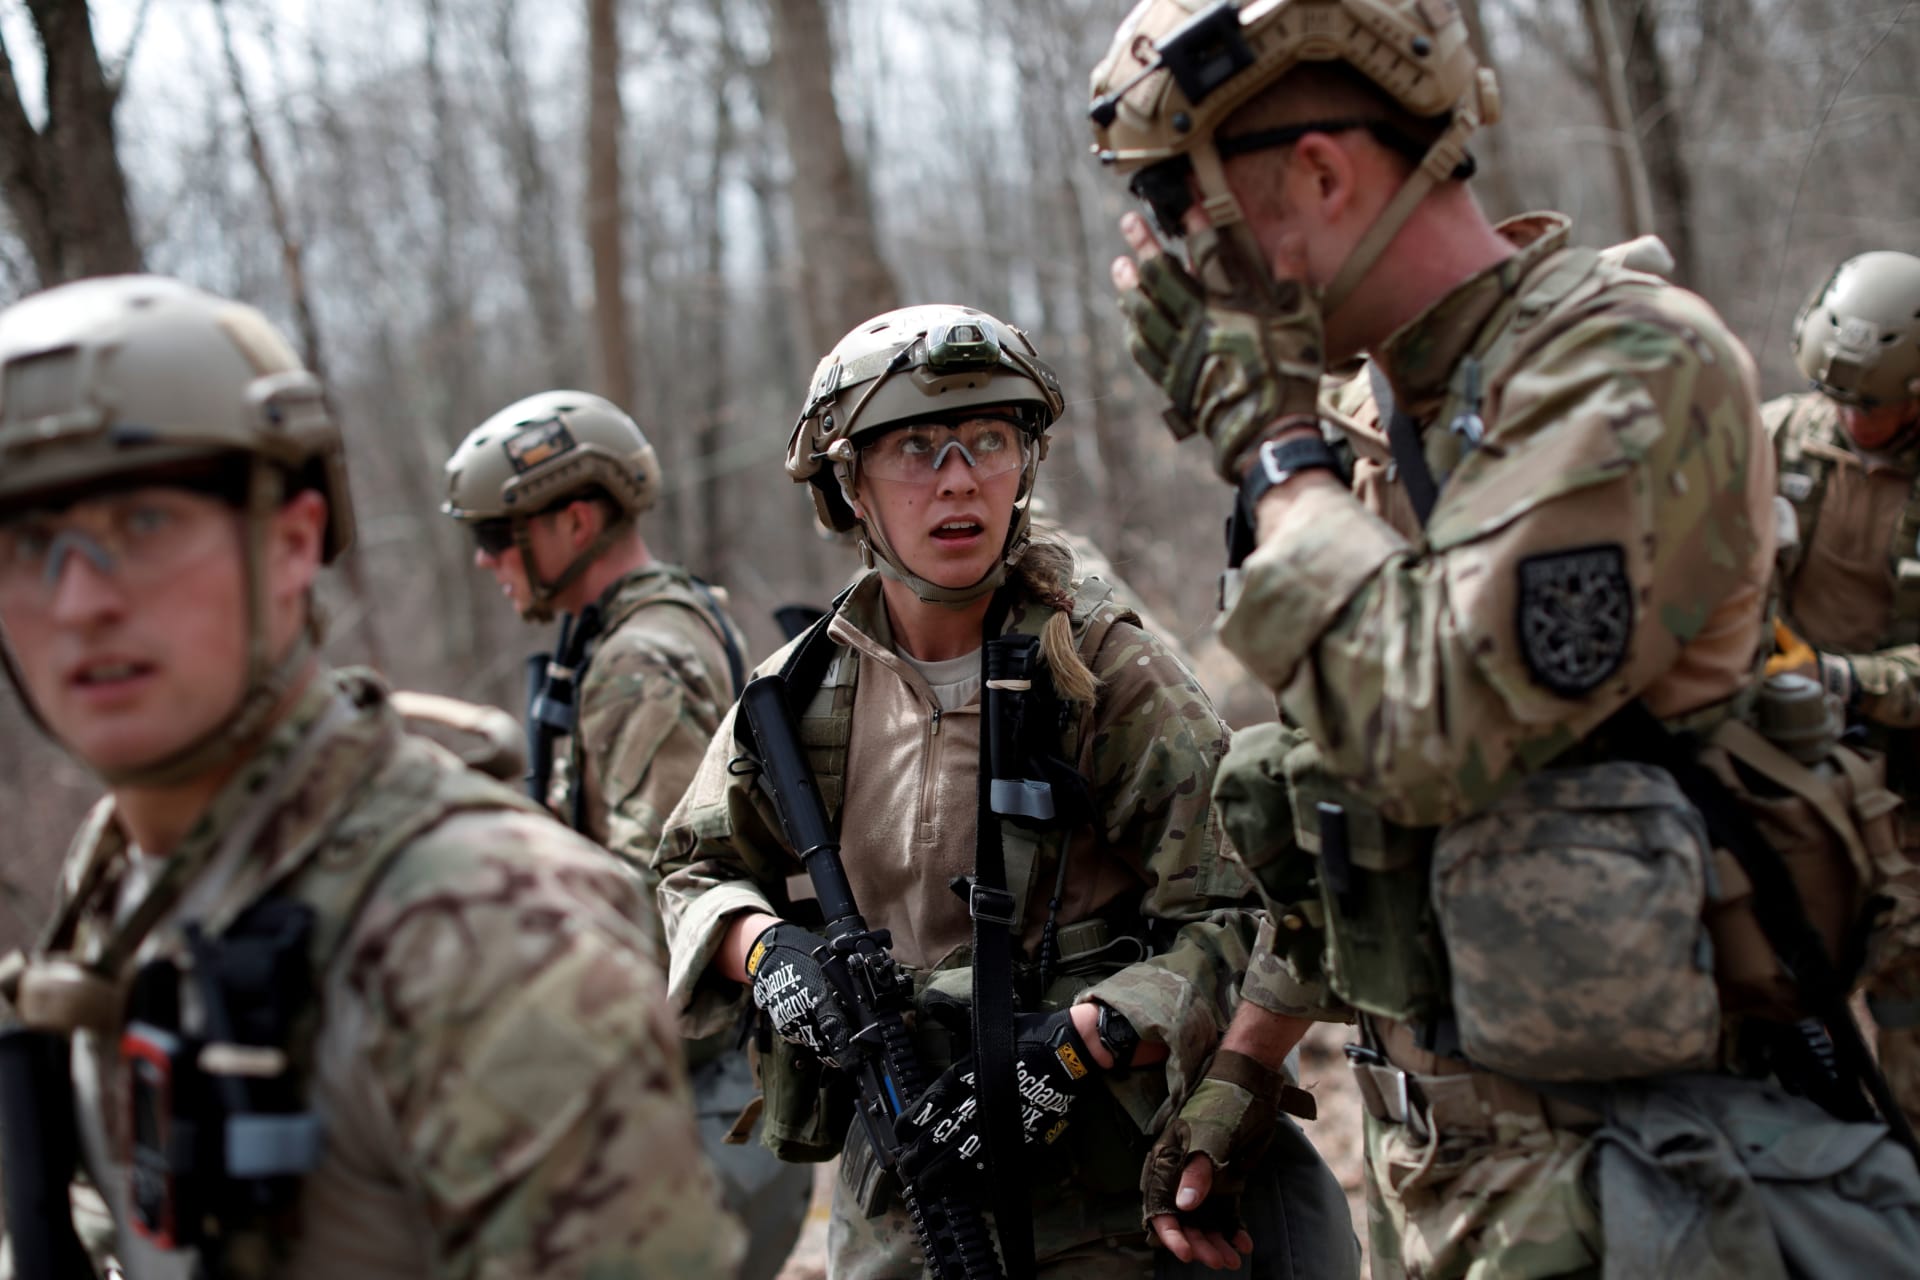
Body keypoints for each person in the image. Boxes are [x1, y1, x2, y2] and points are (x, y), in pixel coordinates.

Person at [1090, 2, 1920, 1277]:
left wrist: (1270, 450)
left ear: (1320, 171)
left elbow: (1434, 726)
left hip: (1640, 1181)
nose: (1187, 275)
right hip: (1442, 1175)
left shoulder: (1630, 366)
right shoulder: (1361, 426)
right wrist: (1246, 1066)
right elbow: (1345, 793)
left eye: (1195, 218)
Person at [0, 275, 742, 1279]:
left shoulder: (489, 941)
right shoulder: (121, 869)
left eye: (145, 524)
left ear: (292, 542)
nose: (79, 597)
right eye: (29, 540)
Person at [654, 303, 1357, 1278]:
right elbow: (690, 869)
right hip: (908, 1191)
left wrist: (1085, 1040)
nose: (959, 476)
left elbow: (1253, 906)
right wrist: (763, 946)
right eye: (915, 447)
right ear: (848, 482)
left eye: (989, 438)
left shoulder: (1102, 667)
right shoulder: (798, 695)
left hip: (1103, 1196)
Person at [442, 390, 809, 1280]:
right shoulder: (663, 621)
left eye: (499, 535)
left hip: (699, 1097)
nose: (489, 561)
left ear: (573, 520)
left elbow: (660, 895)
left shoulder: (637, 663)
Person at [1766, 250, 1920, 1131]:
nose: (1852, 418)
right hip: (1793, 793)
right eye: (1840, 396)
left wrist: (1844, 681)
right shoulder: (1778, 437)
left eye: (1875, 403)